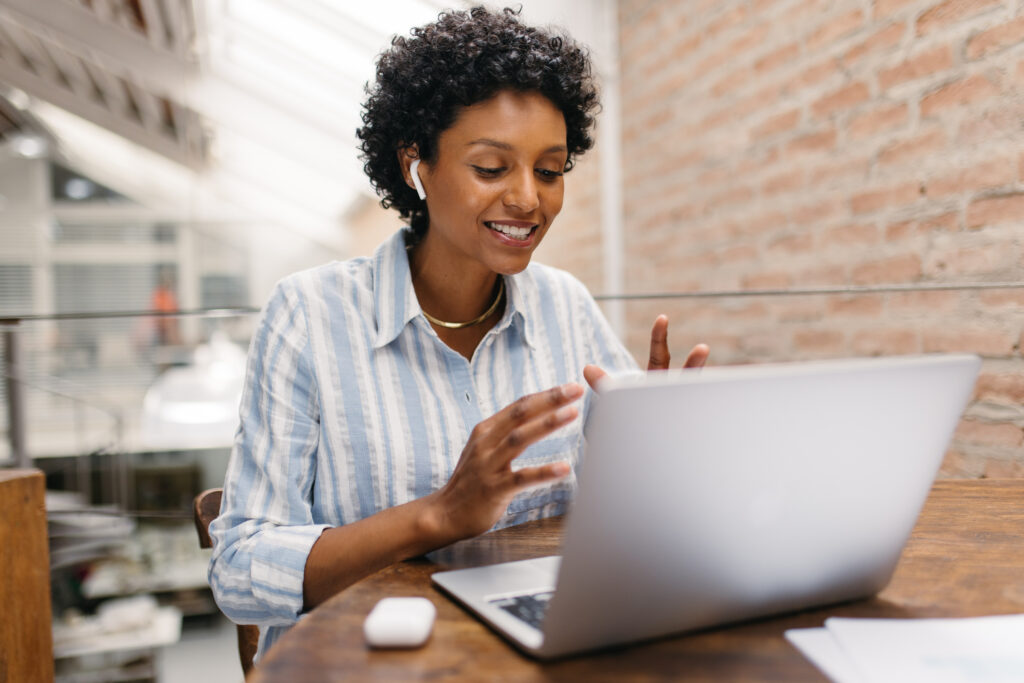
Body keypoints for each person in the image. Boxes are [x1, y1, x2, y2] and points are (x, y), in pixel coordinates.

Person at [208, 6, 708, 661]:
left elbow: (622, 516)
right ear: (416, 164)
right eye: (492, 168)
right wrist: (437, 515)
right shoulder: (310, 314)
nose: (529, 199)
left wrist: (656, 449)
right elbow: (240, 569)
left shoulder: (566, 306)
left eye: (550, 171)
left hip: (536, 653)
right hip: (369, 664)